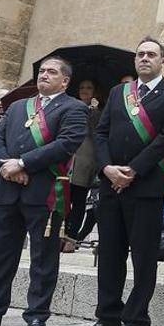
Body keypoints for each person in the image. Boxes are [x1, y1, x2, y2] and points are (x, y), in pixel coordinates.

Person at [0, 58, 87, 326]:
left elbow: (66, 144)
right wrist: (6, 166)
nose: (44, 76)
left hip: (45, 193)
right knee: (0, 257)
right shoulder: (17, 107)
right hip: (7, 191)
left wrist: (23, 163)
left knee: (43, 259)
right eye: (41, 72)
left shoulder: (74, 109)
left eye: (51, 72)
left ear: (65, 81)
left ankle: (36, 315)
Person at [76, 38, 164, 326]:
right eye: (140, 54)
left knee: (143, 257)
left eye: (151, 54)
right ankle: (107, 317)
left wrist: (134, 170)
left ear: (162, 61)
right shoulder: (118, 93)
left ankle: (137, 320)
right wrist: (107, 168)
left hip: (145, 186)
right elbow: (101, 133)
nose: (145, 58)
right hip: (111, 185)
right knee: (110, 254)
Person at [62, 78, 102, 252]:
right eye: (82, 87)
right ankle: (60, 234)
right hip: (67, 159)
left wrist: (92, 111)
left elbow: (97, 132)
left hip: (85, 160)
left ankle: (71, 237)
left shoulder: (97, 112)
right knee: (63, 199)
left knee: (78, 200)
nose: (84, 90)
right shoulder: (69, 106)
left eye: (89, 87)